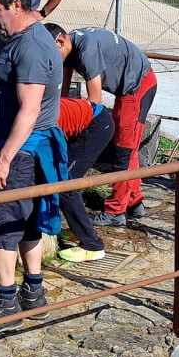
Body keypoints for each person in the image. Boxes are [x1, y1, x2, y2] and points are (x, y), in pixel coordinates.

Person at [0, 0, 67, 334]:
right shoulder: (26, 35)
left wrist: (4, 159)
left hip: (21, 150)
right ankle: (34, 293)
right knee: (27, 220)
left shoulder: (29, 48)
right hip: (27, 147)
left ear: (16, 6)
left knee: (3, 222)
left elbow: (29, 109)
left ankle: (7, 300)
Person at [48, 24, 157, 226]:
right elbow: (61, 93)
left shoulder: (86, 50)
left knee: (124, 149)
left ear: (60, 42)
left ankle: (116, 211)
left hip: (138, 86)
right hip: (128, 87)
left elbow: (95, 101)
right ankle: (134, 203)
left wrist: (79, 132)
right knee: (126, 147)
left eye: (52, 54)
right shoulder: (70, 46)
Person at [54, 97, 115, 262]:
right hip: (86, 121)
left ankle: (92, 245)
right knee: (61, 179)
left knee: (65, 185)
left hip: (96, 125)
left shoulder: (35, 119)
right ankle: (76, 230)